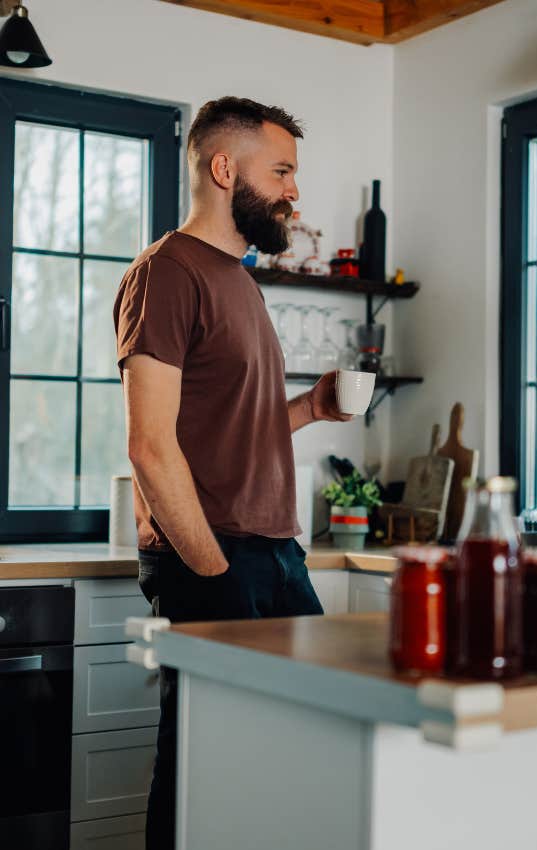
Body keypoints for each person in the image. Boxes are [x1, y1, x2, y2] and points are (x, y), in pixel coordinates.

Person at [113, 97, 352, 850]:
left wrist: (310, 408)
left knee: (302, 742)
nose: (293, 190)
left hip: (274, 552)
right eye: (281, 170)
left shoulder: (240, 279)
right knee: (203, 756)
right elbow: (150, 445)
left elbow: (229, 427)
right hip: (217, 555)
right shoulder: (168, 272)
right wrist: (211, 569)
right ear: (225, 169)